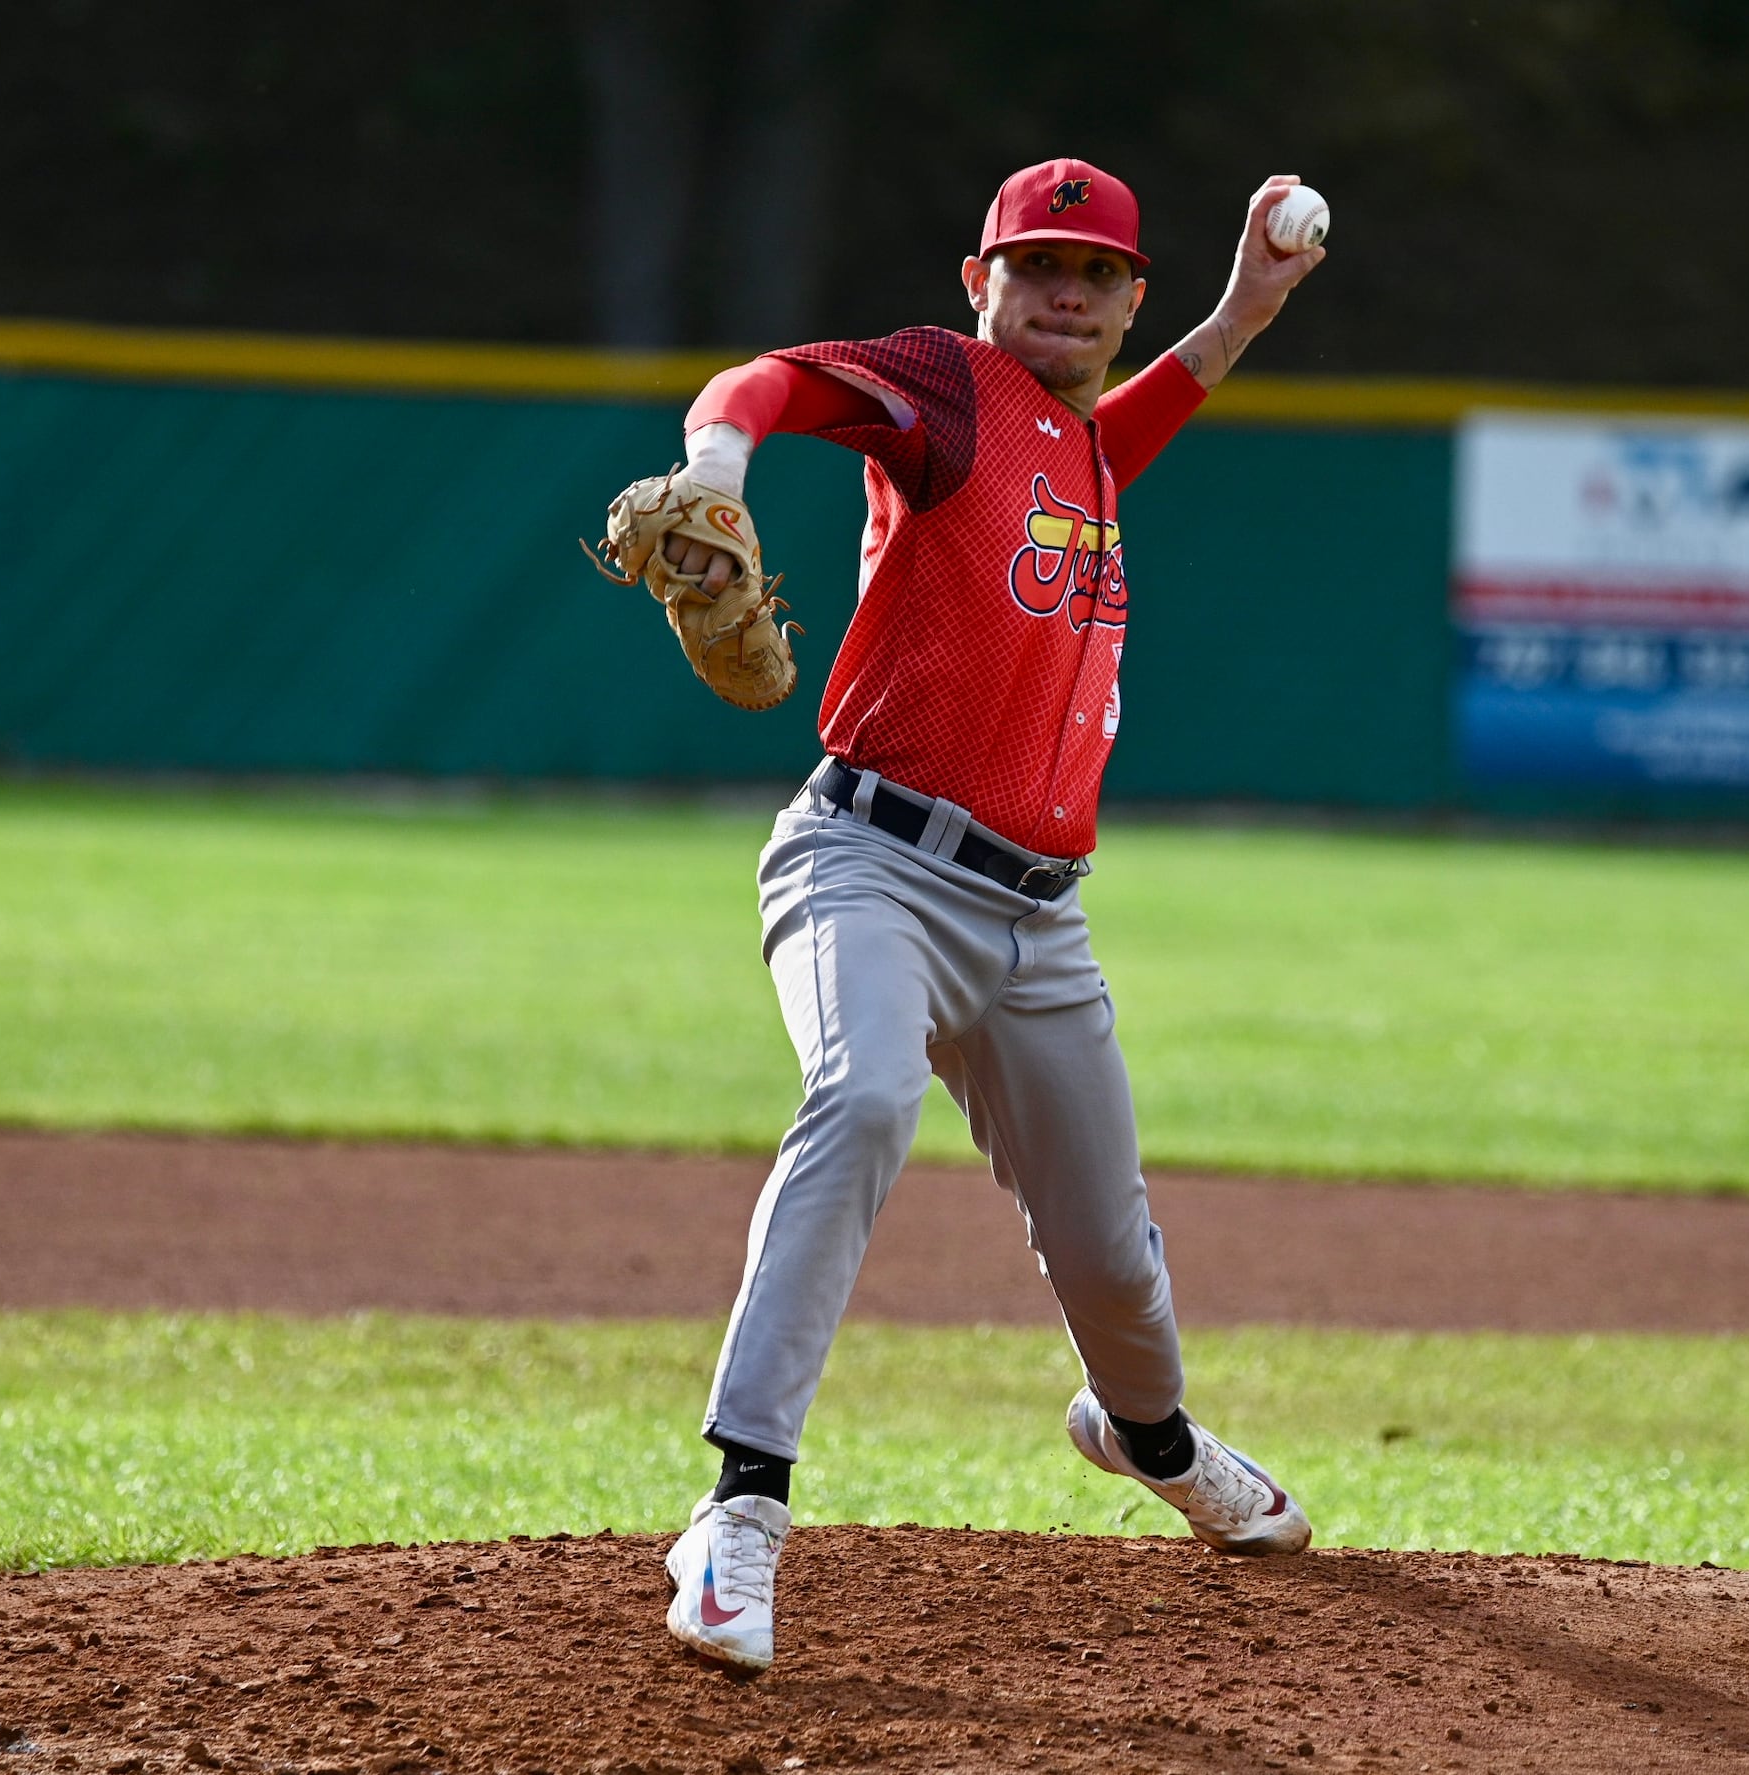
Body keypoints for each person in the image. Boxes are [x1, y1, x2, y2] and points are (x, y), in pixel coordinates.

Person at [652, 158, 1326, 1672]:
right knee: (864, 1093)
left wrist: (1242, 311)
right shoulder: (951, 392)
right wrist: (716, 470)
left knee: (1113, 1262)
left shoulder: (1078, 448)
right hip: (871, 866)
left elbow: (1132, 424)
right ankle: (739, 1513)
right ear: (982, 283)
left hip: (1042, 929)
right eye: (1038, 268)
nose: (1065, 294)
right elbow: (761, 382)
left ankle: (1149, 1442)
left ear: (1127, 298)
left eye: (1095, 275)